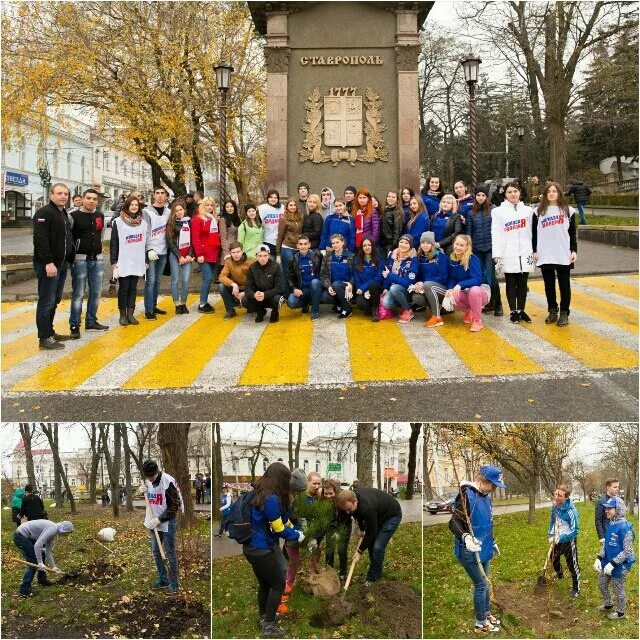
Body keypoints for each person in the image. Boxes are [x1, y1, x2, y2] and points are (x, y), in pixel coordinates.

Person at [242, 462, 305, 639]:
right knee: (278, 584)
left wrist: (292, 529)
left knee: (265, 584)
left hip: (252, 547)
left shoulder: (261, 494)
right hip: (261, 548)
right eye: (286, 478)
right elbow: (278, 529)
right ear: (281, 478)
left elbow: (281, 521)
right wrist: (296, 536)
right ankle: (268, 627)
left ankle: (264, 618)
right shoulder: (271, 499)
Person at [449, 466, 504, 634]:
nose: (494, 489)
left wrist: (492, 541)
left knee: (486, 582)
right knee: (481, 585)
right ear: (481, 480)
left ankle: (486, 614)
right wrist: (465, 537)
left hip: (484, 548)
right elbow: (453, 522)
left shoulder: (486, 498)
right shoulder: (467, 494)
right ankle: (480, 623)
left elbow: (486, 524)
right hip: (469, 551)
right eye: (492, 485)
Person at [33, 183, 75, 350]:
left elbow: (66, 239)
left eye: (65, 193)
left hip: (61, 264)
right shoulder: (44, 212)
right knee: (47, 301)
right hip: (49, 265)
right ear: (51, 195)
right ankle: (44, 338)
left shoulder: (63, 213)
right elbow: (41, 240)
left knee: (55, 300)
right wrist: (48, 262)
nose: (63, 196)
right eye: (59, 193)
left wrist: (69, 260)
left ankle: (50, 332)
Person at [335, 487, 402, 585]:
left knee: (377, 547)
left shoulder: (367, 507)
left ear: (356, 501)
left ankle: (373, 578)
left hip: (391, 516)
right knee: (371, 546)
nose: (347, 512)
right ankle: (376, 569)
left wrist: (359, 551)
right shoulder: (350, 503)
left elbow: (371, 532)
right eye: (345, 510)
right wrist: (362, 529)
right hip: (377, 514)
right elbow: (357, 514)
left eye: (349, 509)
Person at [532, 181, 577, 327]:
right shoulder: (538, 211)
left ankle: (564, 312)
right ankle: (552, 310)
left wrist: (574, 250)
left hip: (563, 252)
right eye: (549, 191)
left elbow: (572, 233)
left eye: (554, 191)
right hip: (545, 253)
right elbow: (534, 234)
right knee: (549, 284)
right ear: (545, 194)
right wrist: (534, 250)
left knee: (564, 285)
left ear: (559, 193)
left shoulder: (568, 211)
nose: (552, 193)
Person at [491, 182, 534, 323]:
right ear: (505, 194)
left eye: (515, 191)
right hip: (507, 252)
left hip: (525, 251)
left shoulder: (528, 211)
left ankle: (521, 310)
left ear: (520, 192)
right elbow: (495, 233)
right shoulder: (498, 211)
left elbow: (533, 232)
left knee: (523, 283)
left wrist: (534, 250)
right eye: (509, 192)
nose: (513, 194)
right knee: (510, 282)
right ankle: (513, 311)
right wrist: (496, 254)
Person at [68, 188, 108, 338]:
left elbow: (101, 235)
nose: (91, 201)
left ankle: (91, 321)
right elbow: (68, 238)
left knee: (96, 292)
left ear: (97, 202)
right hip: (80, 260)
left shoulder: (100, 215)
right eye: (89, 198)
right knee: (78, 293)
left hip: (97, 260)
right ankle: (74, 325)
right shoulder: (73, 216)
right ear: (83, 199)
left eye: (94, 199)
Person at [142, 459, 184, 593]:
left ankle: (174, 582)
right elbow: (150, 498)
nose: (149, 479)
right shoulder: (148, 481)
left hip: (167, 522)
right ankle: (163, 578)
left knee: (170, 552)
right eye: (147, 477)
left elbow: (175, 505)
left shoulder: (168, 481)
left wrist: (160, 519)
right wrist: (143, 490)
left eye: (151, 476)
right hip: (153, 521)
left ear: (157, 472)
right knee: (156, 551)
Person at [283, 471, 324, 602]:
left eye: (319, 483)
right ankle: (288, 584)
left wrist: (314, 537)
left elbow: (322, 521)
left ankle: (313, 582)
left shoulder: (321, 499)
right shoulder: (300, 497)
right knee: (294, 561)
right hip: (295, 535)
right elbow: (291, 517)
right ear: (308, 483)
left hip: (311, 537)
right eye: (314, 483)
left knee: (314, 558)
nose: (317, 486)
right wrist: (301, 525)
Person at [594, 496, 635, 620]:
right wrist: (598, 558)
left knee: (618, 589)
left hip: (620, 565)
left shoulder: (625, 528)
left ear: (618, 509)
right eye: (605, 509)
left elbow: (628, 551)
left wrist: (612, 563)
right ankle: (608, 604)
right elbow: (606, 545)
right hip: (607, 562)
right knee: (601, 583)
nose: (606, 511)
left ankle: (621, 613)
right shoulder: (610, 524)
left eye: (609, 509)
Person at [110, 195, 147, 326]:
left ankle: (131, 314)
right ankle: (122, 315)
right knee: (124, 288)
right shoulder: (118, 222)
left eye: (136, 205)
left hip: (137, 259)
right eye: (132, 205)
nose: (134, 207)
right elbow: (114, 242)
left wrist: (146, 259)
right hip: (123, 260)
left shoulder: (143, 223)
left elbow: (145, 242)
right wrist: (113, 261)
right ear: (127, 206)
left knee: (133, 288)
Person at [466, 186, 503, 316]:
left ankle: (498, 304)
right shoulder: (471, 213)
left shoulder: (493, 211)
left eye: (483, 195)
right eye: (478, 195)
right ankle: (488, 303)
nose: (480, 197)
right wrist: (469, 248)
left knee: (490, 276)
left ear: (486, 196)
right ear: (475, 196)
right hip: (477, 249)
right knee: (481, 277)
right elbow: (469, 232)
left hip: (489, 248)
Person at [13, 519, 74, 597]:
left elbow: (48, 551)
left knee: (42, 553)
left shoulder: (54, 529)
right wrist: (40, 562)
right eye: (67, 533)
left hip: (27, 536)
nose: (66, 535)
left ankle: (42, 579)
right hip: (20, 536)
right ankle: (24, 591)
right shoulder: (53, 529)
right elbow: (37, 545)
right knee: (33, 562)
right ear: (64, 530)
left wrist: (53, 567)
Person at [443, 235, 490, 332]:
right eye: (456, 244)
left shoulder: (472, 258)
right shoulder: (451, 258)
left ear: (467, 247)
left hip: (481, 291)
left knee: (474, 291)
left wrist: (460, 285)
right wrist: (450, 288)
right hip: (465, 292)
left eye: (461, 245)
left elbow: (477, 279)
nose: (458, 247)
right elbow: (452, 278)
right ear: (453, 244)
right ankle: (469, 311)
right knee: (452, 296)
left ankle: (477, 321)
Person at [143, 187, 171, 320]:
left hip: (163, 251)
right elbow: (146, 231)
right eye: (157, 193)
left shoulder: (168, 212)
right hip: (152, 252)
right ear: (153, 195)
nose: (160, 196)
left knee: (158, 281)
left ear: (166, 196)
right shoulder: (146, 212)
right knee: (150, 281)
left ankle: (153, 306)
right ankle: (148, 310)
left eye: (162, 194)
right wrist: (149, 249)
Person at [548, 484, 581, 598]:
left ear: (566, 497)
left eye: (560, 495)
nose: (556, 497)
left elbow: (575, 530)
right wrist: (551, 534)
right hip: (556, 538)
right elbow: (552, 521)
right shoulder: (554, 507)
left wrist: (560, 538)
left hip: (568, 540)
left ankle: (576, 587)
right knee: (553, 557)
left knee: (572, 563)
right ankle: (560, 574)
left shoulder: (571, 511)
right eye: (556, 494)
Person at [191, 196, 222, 314]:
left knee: (208, 279)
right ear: (202, 206)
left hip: (213, 253)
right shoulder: (197, 219)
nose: (209, 207)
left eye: (211, 205)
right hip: (203, 254)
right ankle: (202, 303)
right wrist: (199, 254)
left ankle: (204, 301)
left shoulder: (213, 219)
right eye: (207, 205)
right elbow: (195, 238)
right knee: (208, 277)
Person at [411, 231, 448, 327]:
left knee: (428, 284)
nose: (425, 245)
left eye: (428, 243)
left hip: (443, 289)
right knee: (416, 297)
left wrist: (425, 283)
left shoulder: (441, 256)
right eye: (423, 242)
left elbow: (443, 277)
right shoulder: (420, 257)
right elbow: (419, 276)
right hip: (428, 287)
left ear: (433, 244)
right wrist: (418, 284)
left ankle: (437, 317)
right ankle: (438, 307)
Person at [381, 234, 418, 324]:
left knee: (394, 288)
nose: (403, 245)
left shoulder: (413, 260)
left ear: (410, 246)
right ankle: (402, 305)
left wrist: (391, 275)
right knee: (386, 303)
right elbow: (386, 271)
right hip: (393, 288)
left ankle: (408, 310)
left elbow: (408, 283)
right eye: (401, 242)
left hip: (406, 290)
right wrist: (385, 287)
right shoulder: (392, 255)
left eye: (406, 243)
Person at [242, 245, 285, 323]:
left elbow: (280, 288)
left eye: (265, 255)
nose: (262, 258)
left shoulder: (275, 266)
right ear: (256, 256)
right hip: (258, 297)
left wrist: (265, 294)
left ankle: (275, 311)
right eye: (260, 256)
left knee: (278, 299)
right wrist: (254, 295)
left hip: (271, 296)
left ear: (268, 255)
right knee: (244, 300)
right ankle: (260, 310)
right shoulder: (252, 267)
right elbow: (248, 287)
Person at [165, 199, 194, 314]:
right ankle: (177, 304)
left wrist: (189, 255)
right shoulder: (171, 223)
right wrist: (179, 256)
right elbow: (170, 242)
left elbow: (193, 241)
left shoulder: (189, 222)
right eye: (176, 211)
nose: (179, 212)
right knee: (175, 280)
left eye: (181, 210)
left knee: (185, 281)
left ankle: (184, 303)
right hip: (175, 256)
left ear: (184, 210)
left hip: (187, 257)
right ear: (174, 212)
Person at [286, 234, 323, 320]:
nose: (303, 246)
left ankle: (315, 311)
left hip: (316, 287)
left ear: (309, 245)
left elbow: (324, 272)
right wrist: (294, 289)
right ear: (297, 246)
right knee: (291, 302)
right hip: (303, 289)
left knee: (315, 282)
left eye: (305, 244)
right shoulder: (293, 260)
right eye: (301, 244)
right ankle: (306, 303)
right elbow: (290, 277)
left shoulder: (318, 256)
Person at [322, 479, 352, 581]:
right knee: (329, 550)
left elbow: (346, 518)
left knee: (341, 550)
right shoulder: (323, 501)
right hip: (331, 527)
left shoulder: (342, 499)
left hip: (344, 526)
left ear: (336, 491)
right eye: (326, 493)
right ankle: (329, 571)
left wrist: (340, 532)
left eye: (331, 493)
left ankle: (343, 573)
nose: (328, 496)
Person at [319, 233, 355, 319]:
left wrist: (351, 283)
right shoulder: (327, 257)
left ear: (343, 242)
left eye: (337, 242)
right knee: (324, 296)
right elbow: (323, 274)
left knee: (336, 284)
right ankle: (339, 304)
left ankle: (347, 308)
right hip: (334, 287)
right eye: (333, 243)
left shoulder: (351, 256)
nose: (335, 245)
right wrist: (328, 286)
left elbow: (356, 273)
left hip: (347, 287)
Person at [276, 198, 304, 298]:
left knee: (297, 272)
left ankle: (297, 292)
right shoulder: (284, 219)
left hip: (298, 248)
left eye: (294, 205)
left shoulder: (300, 217)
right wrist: (278, 253)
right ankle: (287, 295)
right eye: (290, 205)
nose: (292, 207)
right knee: (287, 272)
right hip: (287, 247)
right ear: (287, 206)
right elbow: (280, 236)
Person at [219, 241, 254, 319]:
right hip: (235, 289)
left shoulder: (250, 262)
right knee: (221, 286)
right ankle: (230, 310)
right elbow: (221, 276)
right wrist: (233, 285)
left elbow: (257, 281)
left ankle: (251, 306)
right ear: (230, 253)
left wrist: (246, 292)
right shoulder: (228, 261)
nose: (236, 254)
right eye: (233, 252)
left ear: (242, 251)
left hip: (248, 290)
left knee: (252, 311)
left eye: (238, 252)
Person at [353, 236, 384, 322]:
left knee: (373, 285)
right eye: (364, 245)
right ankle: (369, 308)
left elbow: (378, 278)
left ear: (373, 246)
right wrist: (363, 290)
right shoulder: (357, 261)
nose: (367, 247)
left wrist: (363, 288)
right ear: (361, 247)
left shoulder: (379, 259)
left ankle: (375, 310)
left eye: (369, 245)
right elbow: (357, 280)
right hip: (364, 290)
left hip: (376, 289)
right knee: (360, 303)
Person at [258, 189, 284, 256]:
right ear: (267, 198)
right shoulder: (262, 208)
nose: (273, 199)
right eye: (271, 197)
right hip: (267, 240)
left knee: (280, 263)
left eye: (275, 198)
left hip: (280, 241)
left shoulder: (283, 208)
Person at [596, 478, 620, 544]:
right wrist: (601, 537)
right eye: (615, 487)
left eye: (618, 487)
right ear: (608, 488)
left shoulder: (617, 499)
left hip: (617, 532)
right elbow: (598, 520)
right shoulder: (601, 501)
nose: (617, 489)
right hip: (607, 533)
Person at [380, 190, 404, 257]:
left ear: (397, 199)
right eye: (389, 196)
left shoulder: (397, 212)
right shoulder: (385, 209)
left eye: (393, 197)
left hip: (390, 244)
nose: (390, 198)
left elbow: (397, 230)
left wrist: (394, 246)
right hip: (383, 242)